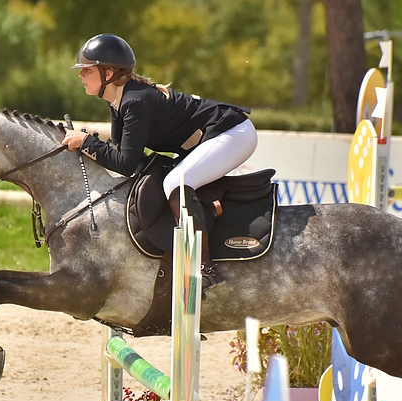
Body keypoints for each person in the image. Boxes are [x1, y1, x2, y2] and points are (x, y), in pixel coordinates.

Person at [62, 34, 258, 294]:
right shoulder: (119, 100)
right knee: (173, 178)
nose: (81, 75)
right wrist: (89, 145)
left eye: (87, 70)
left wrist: (86, 141)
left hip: (232, 133)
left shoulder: (135, 101)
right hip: (217, 134)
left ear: (108, 73)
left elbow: (125, 162)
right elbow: (123, 155)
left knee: (176, 181)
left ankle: (204, 268)